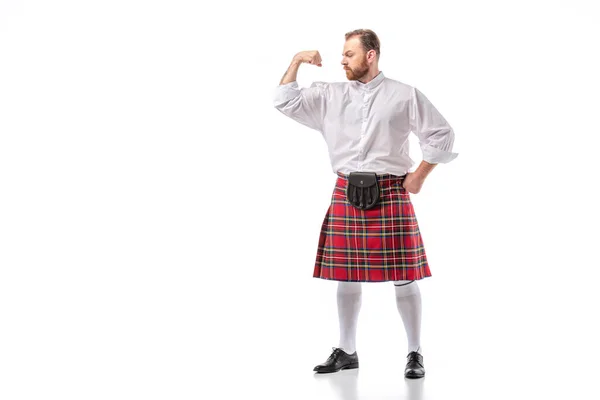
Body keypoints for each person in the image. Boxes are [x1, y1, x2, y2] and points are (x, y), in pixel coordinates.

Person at [272, 29, 458, 379]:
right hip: (345, 190)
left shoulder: (404, 95)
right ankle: (346, 350)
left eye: (349, 53)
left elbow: (441, 133)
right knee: (345, 274)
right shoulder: (329, 94)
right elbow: (284, 100)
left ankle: (415, 352)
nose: (341, 59)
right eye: (342, 54)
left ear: (370, 55)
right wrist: (296, 60)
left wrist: (419, 175)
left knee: (404, 275)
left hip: (390, 192)